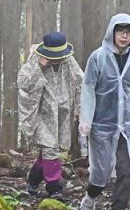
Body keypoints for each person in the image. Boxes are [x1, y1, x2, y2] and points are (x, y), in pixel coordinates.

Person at [78, 13, 130, 210]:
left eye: (128, 32)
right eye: (120, 31)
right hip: (101, 124)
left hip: (125, 125)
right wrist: (86, 119)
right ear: (112, 33)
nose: (124, 36)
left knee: (126, 169)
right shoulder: (97, 57)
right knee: (101, 172)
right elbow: (88, 89)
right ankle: (91, 196)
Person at [17, 31, 83, 199]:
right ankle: (54, 186)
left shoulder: (68, 59)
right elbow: (23, 83)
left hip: (62, 112)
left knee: (51, 147)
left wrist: (82, 109)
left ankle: (33, 179)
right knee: (49, 148)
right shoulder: (36, 59)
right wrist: (40, 66)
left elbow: (80, 80)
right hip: (42, 112)